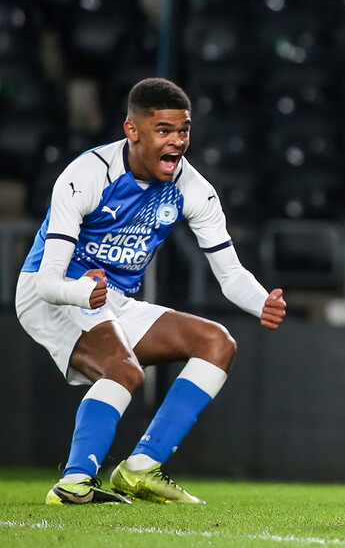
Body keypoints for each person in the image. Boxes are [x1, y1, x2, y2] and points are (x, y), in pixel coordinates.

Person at [16, 78, 287, 505]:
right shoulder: (86, 175)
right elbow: (48, 281)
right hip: (54, 291)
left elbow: (231, 274)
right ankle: (73, 484)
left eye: (184, 130)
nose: (177, 142)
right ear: (132, 131)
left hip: (112, 298)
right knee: (124, 371)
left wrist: (261, 303)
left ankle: (141, 468)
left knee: (216, 342)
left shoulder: (193, 189)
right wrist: (80, 294)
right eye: (164, 131)